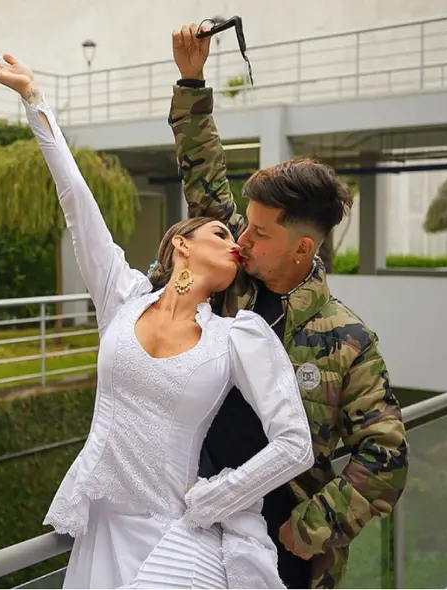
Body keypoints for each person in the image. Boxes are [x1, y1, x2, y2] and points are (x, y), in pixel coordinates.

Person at [0, 54, 316, 588]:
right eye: (221, 234)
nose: (235, 243)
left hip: (177, 537)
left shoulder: (238, 335)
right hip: (100, 533)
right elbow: (76, 201)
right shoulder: (121, 298)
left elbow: (295, 444)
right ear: (181, 243)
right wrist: (34, 101)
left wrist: (216, 496)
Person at [168, 23, 409, 589]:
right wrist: (191, 79)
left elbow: (387, 456)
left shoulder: (348, 339)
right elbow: (203, 177)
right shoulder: (233, 283)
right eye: (241, 227)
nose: (239, 240)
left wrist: (305, 531)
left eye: (257, 233)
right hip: (194, 518)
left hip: (282, 556)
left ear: (303, 247)